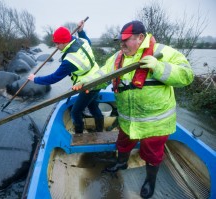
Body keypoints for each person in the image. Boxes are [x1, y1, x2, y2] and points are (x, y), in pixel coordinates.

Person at [72, 20, 194, 198]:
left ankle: (150, 181)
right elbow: (102, 73)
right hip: (128, 119)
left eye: (126, 40)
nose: (122, 44)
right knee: (123, 143)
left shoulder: (162, 52)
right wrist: (86, 83)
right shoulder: (117, 57)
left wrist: (158, 67)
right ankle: (122, 163)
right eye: (120, 40)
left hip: (156, 123)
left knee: (152, 153)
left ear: (140, 38)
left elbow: (187, 75)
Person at [28, 21, 104, 134]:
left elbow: (54, 78)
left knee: (75, 112)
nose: (56, 47)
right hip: (98, 77)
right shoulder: (81, 40)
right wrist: (81, 31)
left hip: (89, 84)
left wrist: (35, 79)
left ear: (64, 42)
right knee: (93, 106)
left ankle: (79, 134)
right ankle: (99, 129)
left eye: (57, 44)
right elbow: (88, 41)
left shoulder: (70, 60)